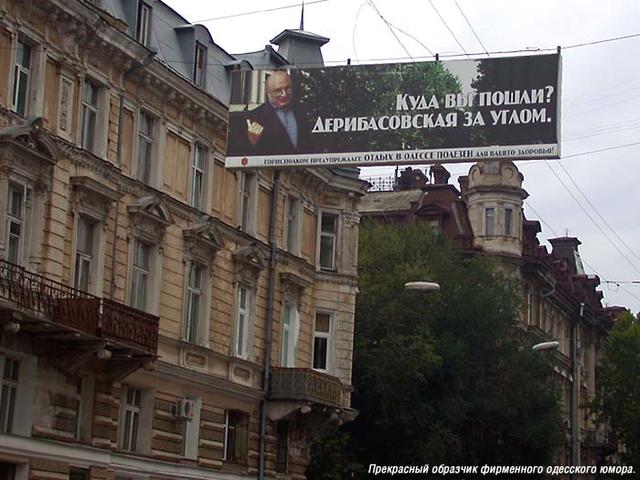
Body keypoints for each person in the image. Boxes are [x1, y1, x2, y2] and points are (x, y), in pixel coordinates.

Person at [232, 70, 311, 156]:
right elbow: (238, 153)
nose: (284, 94)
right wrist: (252, 141)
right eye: (278, 90)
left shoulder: (301, 109)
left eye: (287, 88)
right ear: (268, 92)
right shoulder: (253, 117)